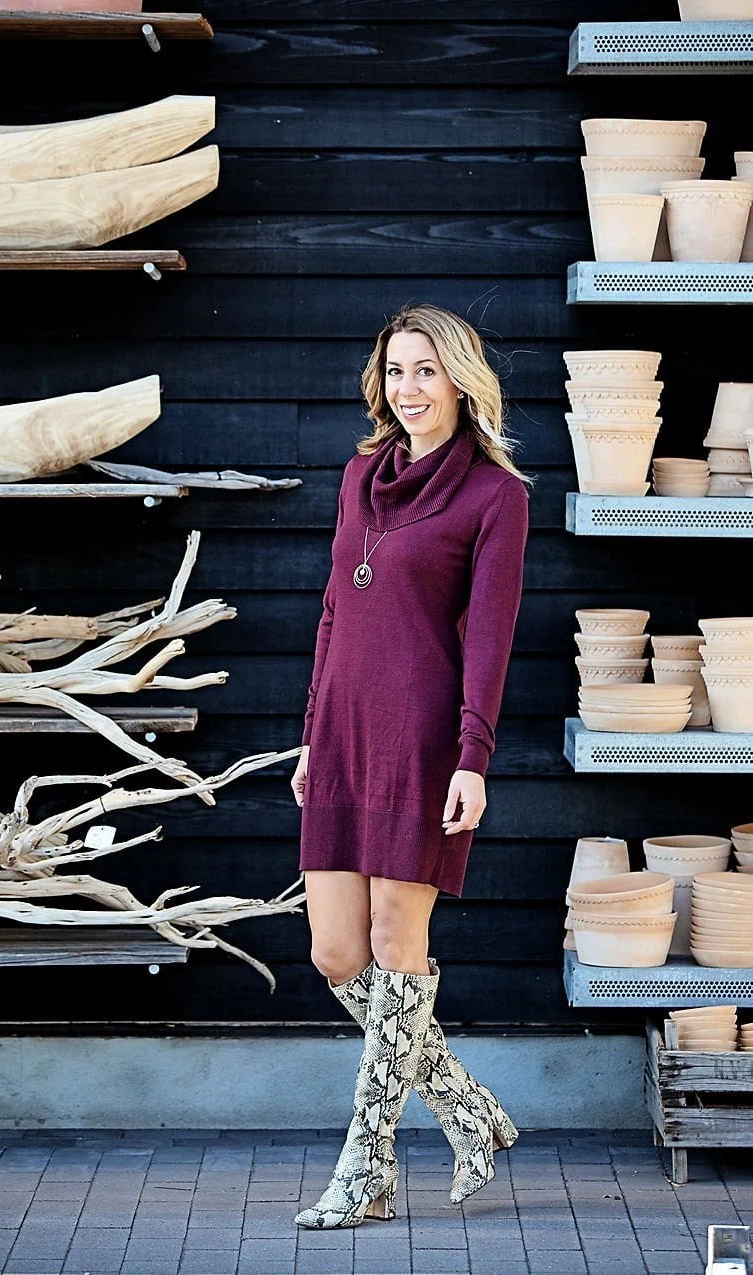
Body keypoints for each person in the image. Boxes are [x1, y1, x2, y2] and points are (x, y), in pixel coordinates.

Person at [290, 303, 532, 1230]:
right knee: (335, 951)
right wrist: (313, 732)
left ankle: (368, 1163)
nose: (409, 388)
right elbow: (330, 615)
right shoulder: (359, 477)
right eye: (396, 371)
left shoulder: (495, 497)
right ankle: (468, 1107)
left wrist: (473, 757)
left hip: (426, 739)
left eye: (427, 370)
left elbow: (491, 644)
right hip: (346, 734)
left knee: (398, 945)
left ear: (462, 380)